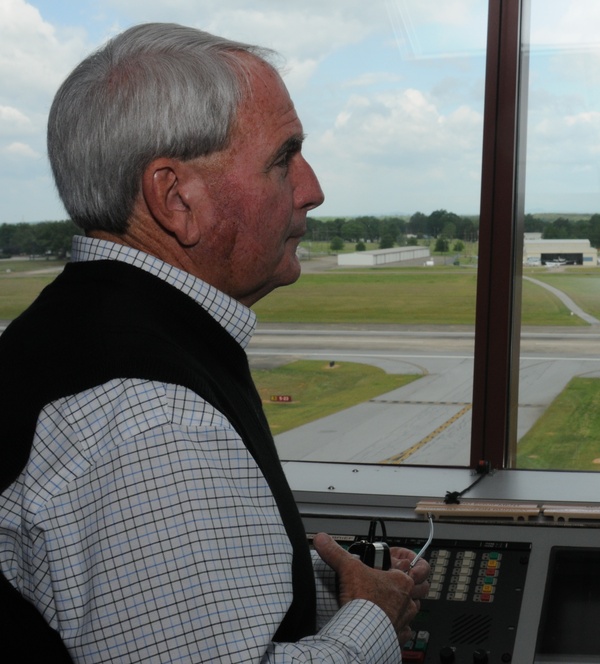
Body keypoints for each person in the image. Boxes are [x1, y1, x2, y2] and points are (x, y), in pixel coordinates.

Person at [0, 22, 429, 662]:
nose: (312, 189)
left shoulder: (71, 331)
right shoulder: (153, 416)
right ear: (176, 198)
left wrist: (322, 582)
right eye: (284, 157)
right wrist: (371, 617)